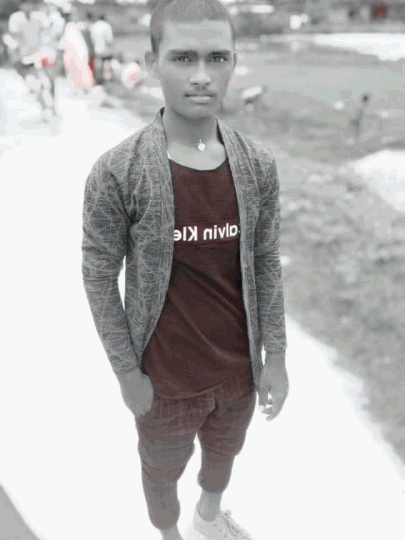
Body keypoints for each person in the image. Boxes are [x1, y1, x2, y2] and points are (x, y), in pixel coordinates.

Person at [81, 1, 288, 539]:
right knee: (160, 474)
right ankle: (171, 533)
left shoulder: (257, 165)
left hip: (239, 374)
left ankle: (208, 518)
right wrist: (127, 374)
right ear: (152, 62)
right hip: (164, 383)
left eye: (217, 57)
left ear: (234, 61)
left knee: (224, 455)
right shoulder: (118, 172)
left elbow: (265, 261)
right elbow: (99, 275)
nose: (201, 75)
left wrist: (276, 356)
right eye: (182, 58)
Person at [90, 13, 114, 84]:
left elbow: (92, 38)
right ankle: (107, 79)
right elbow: (109, 39)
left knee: (98, 63)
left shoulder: (94, 26)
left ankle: (98, 78)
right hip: (105, 48)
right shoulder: (106, 26)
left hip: (96, 48)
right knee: (106, 63)